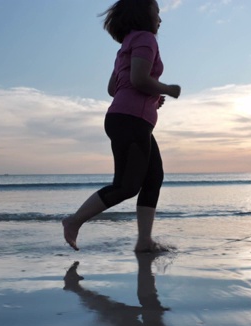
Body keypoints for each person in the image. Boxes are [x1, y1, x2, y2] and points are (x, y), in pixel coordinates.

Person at [62, 0, 181, 252]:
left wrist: (151, 95)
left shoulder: (127, 44)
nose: (160, 19)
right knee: (127, 185)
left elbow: (113, 88)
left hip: (130, 119)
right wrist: (167, 89)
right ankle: (74, 221)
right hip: (130, 120)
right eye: (157, 12)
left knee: (153, 178)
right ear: (143, 14)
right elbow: (138, 79)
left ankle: (144, 241)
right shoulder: (145, 38)